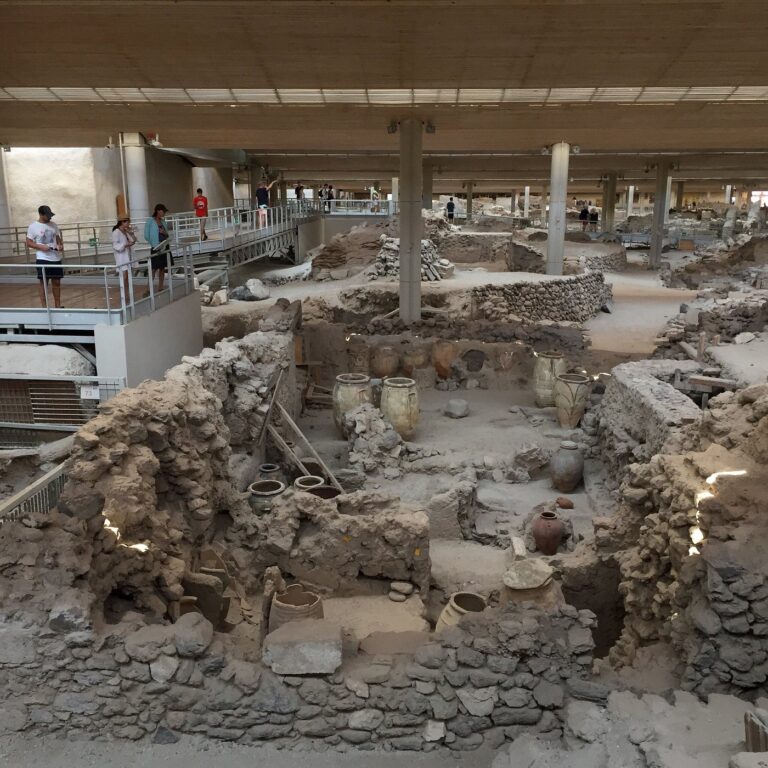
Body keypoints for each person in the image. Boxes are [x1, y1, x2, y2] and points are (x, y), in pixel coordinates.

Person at [26, 204, 63, 308]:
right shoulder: (33, 226)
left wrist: (60, 246)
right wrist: (40, 246)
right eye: (47, 215)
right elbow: (28, 243)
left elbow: (58, 240)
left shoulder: (54, 225)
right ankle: (44, 307)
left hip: (55, 258)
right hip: (43, 258)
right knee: (44, 283)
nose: (50, 217)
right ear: (41, 214)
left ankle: (58, 306)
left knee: (57, 282)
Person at [144, 203, 172, 293]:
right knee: (154, 267)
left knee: (162, 268)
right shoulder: (150, 221)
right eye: (163, 211)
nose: (164, 213)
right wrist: (153, 243)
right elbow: (146, 235)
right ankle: (149, 288)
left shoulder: (163, 222)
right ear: (158, 211)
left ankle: (161, 287)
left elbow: (167, 235)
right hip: (156, 246)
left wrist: (164, 232)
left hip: (164, 245)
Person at [111, 214, 137, 299]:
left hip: (128, 255)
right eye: (127, 222)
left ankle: (128, 294)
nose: (129, 223)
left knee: (128, 276)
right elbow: (115, 245)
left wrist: (132, 234)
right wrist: (126, 245)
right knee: (124, 277)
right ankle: (124, 295)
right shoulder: (116, 232)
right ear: (122, 222)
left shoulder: (126, 231)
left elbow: (133, 241)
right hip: (121, 257)